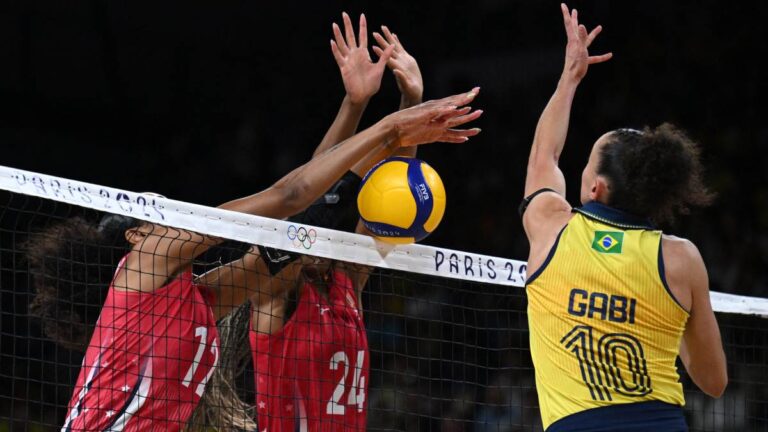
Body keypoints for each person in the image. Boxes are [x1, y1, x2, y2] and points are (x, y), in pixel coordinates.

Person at [25, 54, 482, 430]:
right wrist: (390, 129)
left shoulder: (200, 299)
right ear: (136, 233)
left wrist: (357, 107)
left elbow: (299, 228)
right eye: (154, 210)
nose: (168, 210)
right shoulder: (147, 259)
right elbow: (286, 196)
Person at [202, 13, 446, 431]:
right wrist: (356, 107)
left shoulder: (345, 288)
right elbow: (305, 203)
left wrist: (412, 102)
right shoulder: (275, 296)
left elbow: (392, 207)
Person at [520, 4, 727, 431]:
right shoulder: (682, 259)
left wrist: (569, 78)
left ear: (594, 187)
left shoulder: (552, 228)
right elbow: (713, 382)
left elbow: (545, 156)